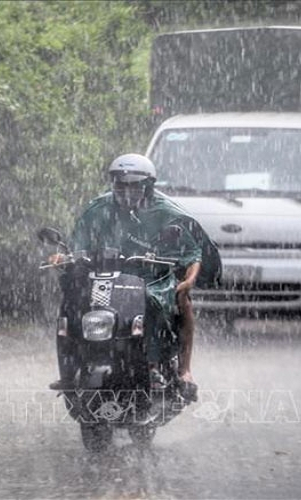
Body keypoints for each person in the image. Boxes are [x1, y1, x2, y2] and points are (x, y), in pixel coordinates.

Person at [48, 153, 219, 400]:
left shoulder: (166, 213)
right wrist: (61, 258)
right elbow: (76, 247)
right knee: (72, 302)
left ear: (148, 186)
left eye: (134, 185)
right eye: (120, 184)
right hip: (104, 277)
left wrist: (189, 281)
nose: (126, 190)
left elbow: (193, 255)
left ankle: (177, 369)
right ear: (112, 183)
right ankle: (70, 367)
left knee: (166, 300)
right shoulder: (97, 210)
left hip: (153, 280)